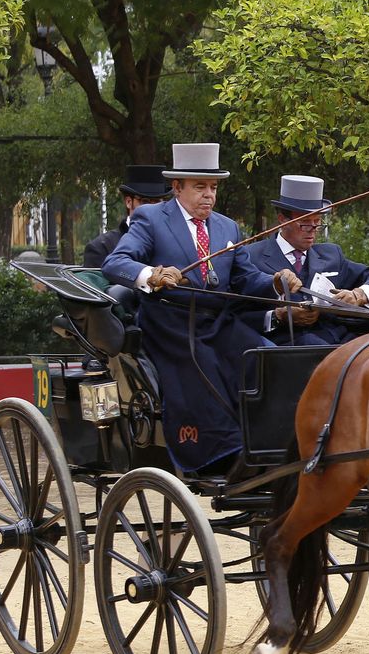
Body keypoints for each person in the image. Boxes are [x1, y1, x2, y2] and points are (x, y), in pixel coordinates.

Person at [103, 142, 301, 474]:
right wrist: (151, 274)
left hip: (217, 321)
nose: (208, 195)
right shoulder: (151, 218)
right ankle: (224, 452)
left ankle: (273, 443)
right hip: (170, 323)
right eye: (200, 187)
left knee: (265, 357)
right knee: (204, 365)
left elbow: (245, 279)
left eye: (213, 187)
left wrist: (276, 282)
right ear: (177, 187)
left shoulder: (227, 227)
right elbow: (115, 263)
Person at [240, 175, 369, 347]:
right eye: (305, 223)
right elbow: (235, 316)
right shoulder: (250, 257)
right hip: (285, 352)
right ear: (282, 220)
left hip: (341, 344)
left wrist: (359, 295)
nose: (313, 231)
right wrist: (278, 316)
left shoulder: (331, 254)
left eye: (317, 223)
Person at [84, 165, 172, 268]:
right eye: (145, 202)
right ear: (128, 202)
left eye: (157, 202)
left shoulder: (175, 243)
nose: (151, 208)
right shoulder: (101, 247)